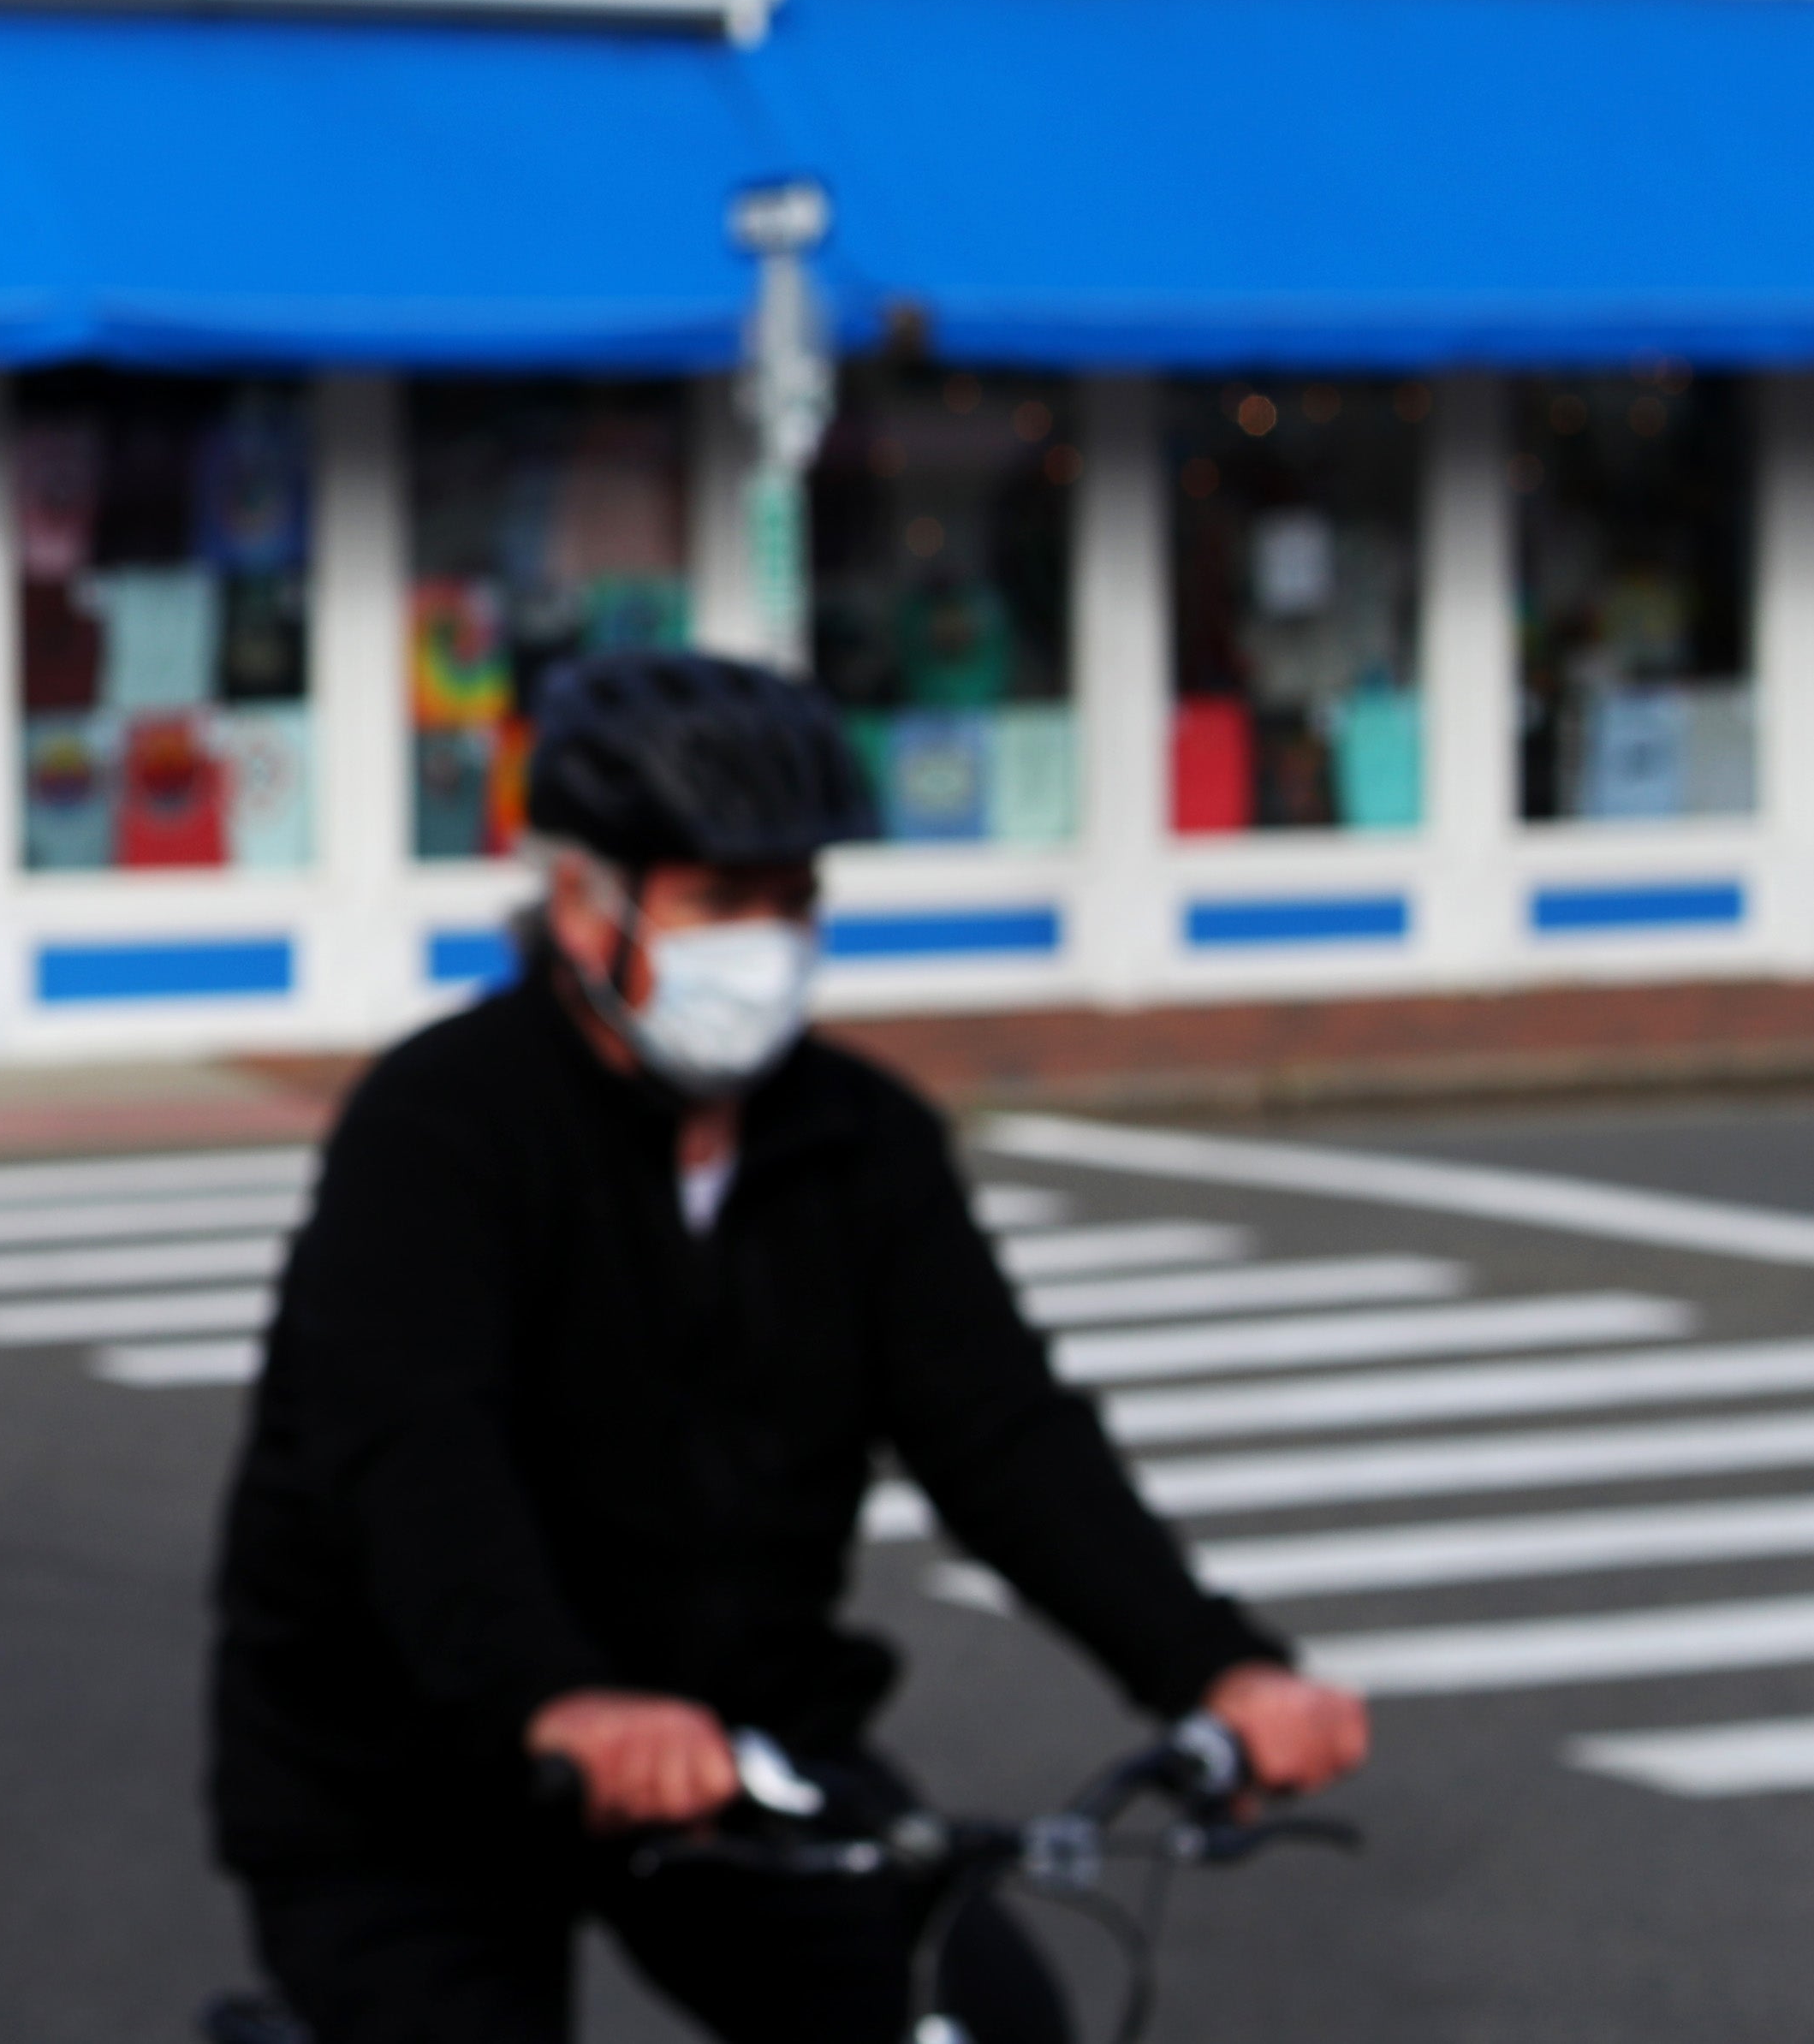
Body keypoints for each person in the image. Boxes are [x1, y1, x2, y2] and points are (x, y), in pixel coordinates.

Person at [209, 649, 1366, 2044]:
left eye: (793, 900)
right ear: (584, 902)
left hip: (739, 1751)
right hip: (414, 1757)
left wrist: (1212, 1665)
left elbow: (1000, 1431)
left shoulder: (858, 1140)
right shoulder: (445, 1126)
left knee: (980, 2021)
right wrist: (557, 1693)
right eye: (717, 901)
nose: (763, 942)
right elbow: (413, 1448)